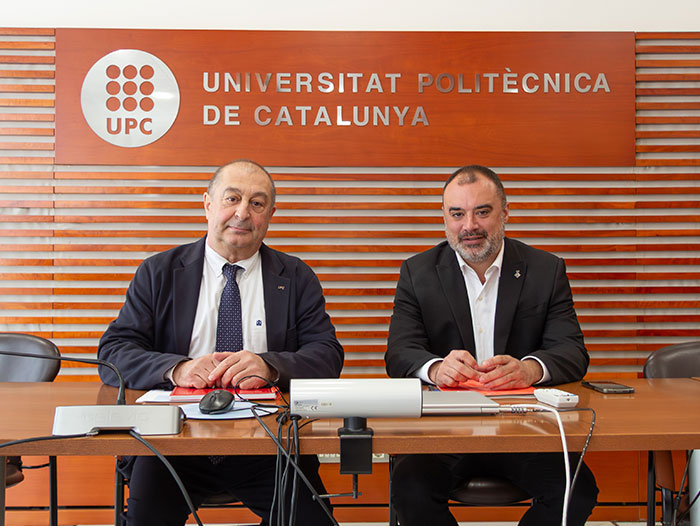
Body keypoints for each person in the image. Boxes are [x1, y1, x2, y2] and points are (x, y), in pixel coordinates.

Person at [98, 159, 343, 526]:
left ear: (270, 215)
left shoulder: (295, 276)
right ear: (208, 204)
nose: (242, 213)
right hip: (173, 442)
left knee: (313, 521)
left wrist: (269, 366)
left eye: (257, 203)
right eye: (232, 198)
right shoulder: (159, 272)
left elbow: (327, 355)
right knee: (146, 520)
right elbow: (114, 351)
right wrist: (176, 369)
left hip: (268, 444)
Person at [385, 165, 598, 526]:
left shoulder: (545, 270)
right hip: (444, 431)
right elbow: (399, 352)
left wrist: (530, 368)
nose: (469, 225)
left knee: (577, 491)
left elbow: (572, 351)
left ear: (505, 213)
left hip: (525, 428)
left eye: (482, 212)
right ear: (445, 217)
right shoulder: (417, 272)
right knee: (409, 490)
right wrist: (436, 368)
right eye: (457, 214)